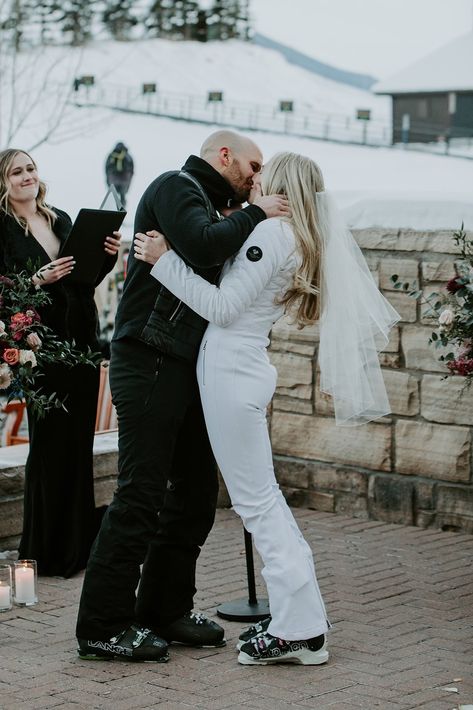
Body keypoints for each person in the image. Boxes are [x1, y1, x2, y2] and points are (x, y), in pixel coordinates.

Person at [133, 151, 400, 665]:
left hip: (233, 374)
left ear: (281, 185)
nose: (254, 183)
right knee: (263, 500)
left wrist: (162, 261)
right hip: (243, 369)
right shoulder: (294, 237)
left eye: (263, 177)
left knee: (257, 504)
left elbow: (222, 308)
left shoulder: (272, 236)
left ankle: (298, 629)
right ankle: (304, 623)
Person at [75, 130, 290, 663]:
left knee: (194, 496)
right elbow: (201, 245)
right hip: (148, 356)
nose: (256, 177)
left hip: (190, 367)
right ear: (223, 156)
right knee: (140, 493)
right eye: (252, 164)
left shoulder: (222, 208)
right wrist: (258, 211)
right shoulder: (177, 186)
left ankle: (163, 610)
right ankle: (101, 626)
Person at [0, 148, 121, 578]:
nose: (26, 176)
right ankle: (44, 551)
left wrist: (107, 255)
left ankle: (78, 547)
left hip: (81, 344)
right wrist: (38, 279)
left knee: (77, 445)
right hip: (41, 349)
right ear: (4, 182)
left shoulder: (61, 220)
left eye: (30, 169)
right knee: (49, 449)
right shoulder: (2, 230)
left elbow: (84, 278)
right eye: (16, 172)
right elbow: (5, 293)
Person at [105, 142, 134, 208]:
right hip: (124, 179)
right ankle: (122, 206)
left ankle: (114, 207)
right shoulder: (127, 156)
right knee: (122, 194)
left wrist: (107, 181)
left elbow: (106, 169)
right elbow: (131, 169)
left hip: (113, 179)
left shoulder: (111, 155)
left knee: (113, 194)